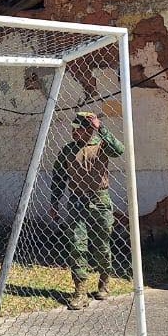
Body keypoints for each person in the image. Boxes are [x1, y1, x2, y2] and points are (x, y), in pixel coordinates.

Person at [49, 111, 126, 310]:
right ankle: (80, 292)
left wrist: (102, 128)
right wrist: (54, 203)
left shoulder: (102, 145)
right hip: (76, 201)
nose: (74, 132)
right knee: (77, 245)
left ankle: (104, 283)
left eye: (79, 129)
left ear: (89, 130)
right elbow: (59, 178)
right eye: (73, 129)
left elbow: (119, 150)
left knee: (101, 244)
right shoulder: (68, 150)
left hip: (99, 200)